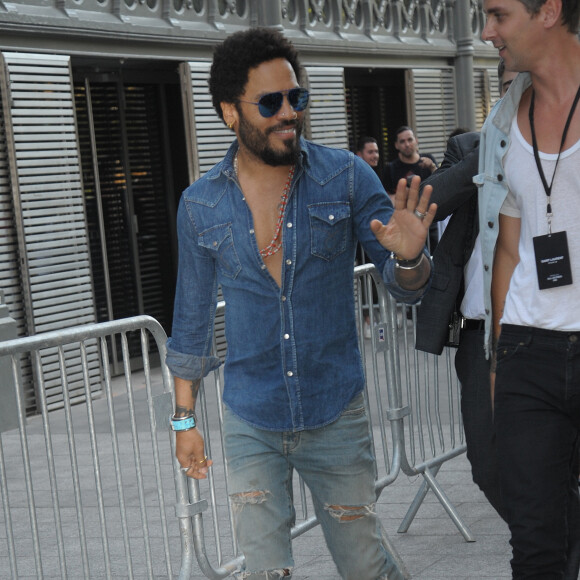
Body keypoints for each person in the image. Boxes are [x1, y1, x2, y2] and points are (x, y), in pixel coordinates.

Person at [165, 27, 436, 580]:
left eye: (296, 98)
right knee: (265, 572)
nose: (289, 112)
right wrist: (183, 422)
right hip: (251, 418)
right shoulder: (200, 204)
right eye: (270, 102)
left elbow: (403, 287)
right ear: (229, 113)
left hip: (334, 410)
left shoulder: (345, 176)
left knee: (364, 563)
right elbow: (190, 324)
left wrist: (409, 258)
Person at [477, 0, 580, 577]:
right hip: (526, 349)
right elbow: (509, 249)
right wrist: (499, 359)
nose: (487, 32)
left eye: (498, 15)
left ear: (549, 11)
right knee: (535, 544)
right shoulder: (502, 122)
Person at [415, 60, 517, 523]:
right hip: (480, 340)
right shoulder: (468, 147)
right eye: (511, 87)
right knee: (488, 466)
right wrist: (494, 149)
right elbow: (430, 202)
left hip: (545, 332)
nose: (520, 96)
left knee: (554, 465)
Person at [383, 127, 438, 251]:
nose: (407, 144)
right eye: (402, 141)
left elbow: (441, 185)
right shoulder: (391, 168)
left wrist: (433, 167)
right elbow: (386, 199)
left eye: (409, 140)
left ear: (416, 141)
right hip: (406, 226)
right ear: (397, 145)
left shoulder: (428, 161)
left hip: (430, 223)